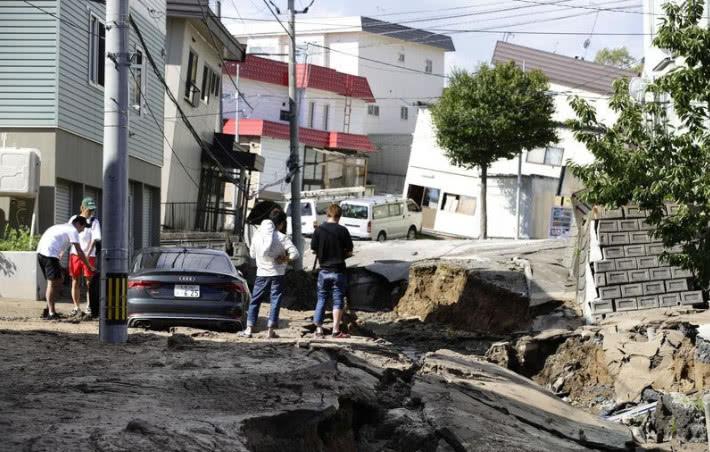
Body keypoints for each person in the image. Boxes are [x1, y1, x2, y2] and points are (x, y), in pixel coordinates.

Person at [240, 209, 299, 339]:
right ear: (281, 224)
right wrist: (284, 259)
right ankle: (270, 331)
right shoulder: (282, 237)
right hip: (277, 274)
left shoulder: (257, 235)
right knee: (275, 300)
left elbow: (252, 255)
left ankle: (249, 329)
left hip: (261, 273)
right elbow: (295, 254)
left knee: (255, 300)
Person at [36, 216, 94, 320]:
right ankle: (51, 313)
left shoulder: (62, 227)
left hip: (41, 253)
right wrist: (89, 266)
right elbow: (79, 251)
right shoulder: (73, 230)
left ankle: (49, 308)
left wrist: (60, 255)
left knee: (58, 280)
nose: (83, 230)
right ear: (78, 224)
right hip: (49, 254)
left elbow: (61, 243)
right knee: (53, 282)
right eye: (83, 227)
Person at [311, 204, 353, 339]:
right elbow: (349, 251)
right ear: (339, 216)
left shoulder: (318, 231)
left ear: (327, 214)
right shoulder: (343, 230)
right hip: (338, 270)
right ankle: (335, 330)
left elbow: (314, 249)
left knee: (322, 298)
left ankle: (318, 329)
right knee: (338, 299)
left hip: (323, 270)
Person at [67, 197, 101, 316]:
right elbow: (69, 234)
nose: (90, 212)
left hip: (89, 255)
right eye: (88, 209)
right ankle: (76, 307)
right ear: (82, 208)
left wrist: (88, 251)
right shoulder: (74, 219)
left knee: (89, 282)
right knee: (75, 280)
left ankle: (89, 306)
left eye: (92, 210)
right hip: (75, 254)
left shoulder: (94, 222)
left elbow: (95, 238)